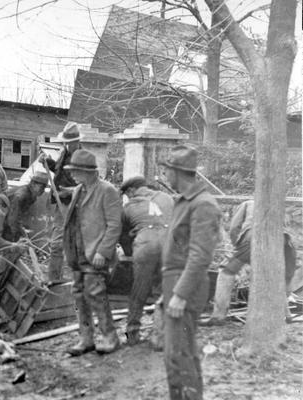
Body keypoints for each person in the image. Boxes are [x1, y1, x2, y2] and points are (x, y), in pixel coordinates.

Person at [160, 145, 221, 400]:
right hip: (175, 282)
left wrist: (181, 294)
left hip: (188, 286)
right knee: (176, 353)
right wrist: (170, 292)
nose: (165, 177)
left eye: (167, 172)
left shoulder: (203, 204)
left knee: (180, 354)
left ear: (177, 172)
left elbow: (200, 255)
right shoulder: (185, 201)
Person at [201, 199, 299, 326]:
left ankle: (218, 316)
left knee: (226, 272)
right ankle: (286, 315)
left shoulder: (247, 204)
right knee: (277, 277)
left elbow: (234, 227)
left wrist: (237, 247)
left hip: (254, 238)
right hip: (285, 243)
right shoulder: (277, 203)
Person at [63, 149, 122, 356]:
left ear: (89, 172)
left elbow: (115, 225)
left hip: (94, 254)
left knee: (96, 295)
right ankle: (85, 338)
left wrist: (103, 252)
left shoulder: (107, 191)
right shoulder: (79, 190)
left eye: (75, 171)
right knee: (79, 296)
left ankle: (109, 337)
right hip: (77, 253)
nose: (72, 175)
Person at [119, 175, 174, 345]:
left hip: (146, 244)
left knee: (139, 290)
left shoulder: (129, 206)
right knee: (164, 291)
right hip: (169, 244)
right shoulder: (167, 198)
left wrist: (130, 253)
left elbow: (122, 235)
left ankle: (133, 333)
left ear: (131, 191)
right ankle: (161, 337)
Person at [42, 122, 81, 282]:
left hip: (76, 206)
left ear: (77, 141)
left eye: (69, 142)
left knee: (75, 243)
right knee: (57, 243)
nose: (66, 145)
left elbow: (88, 185)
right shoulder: (64, 153)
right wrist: (48, 162)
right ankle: (54, 279)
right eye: (65, 142)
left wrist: (69, 192)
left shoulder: (82, 158)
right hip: (61, 204)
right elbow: (60, 173)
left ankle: (78, 281)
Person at [3, 171, 48, 242]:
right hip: (3, 220)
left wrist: (21, 230)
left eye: (44, 187)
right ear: (33, 184)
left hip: (9, 219)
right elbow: (12, 219)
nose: (43, 190)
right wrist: (17, 235)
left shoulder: (32, 196)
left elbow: (18, 215)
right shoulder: (21, 196)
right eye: (42, 187)